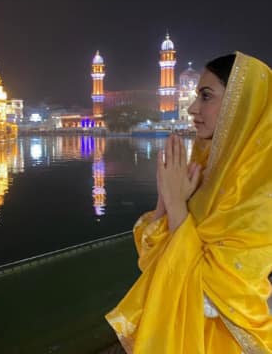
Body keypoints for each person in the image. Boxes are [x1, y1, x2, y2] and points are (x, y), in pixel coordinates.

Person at [105, 52, 272, 352]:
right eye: (195, 96)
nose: (193, 108)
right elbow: (150, 257)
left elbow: (214, 296)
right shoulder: (208, 165)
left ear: (242, 103)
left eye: (206, 96)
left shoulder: (263, 187)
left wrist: (176, 205)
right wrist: (165, 201)